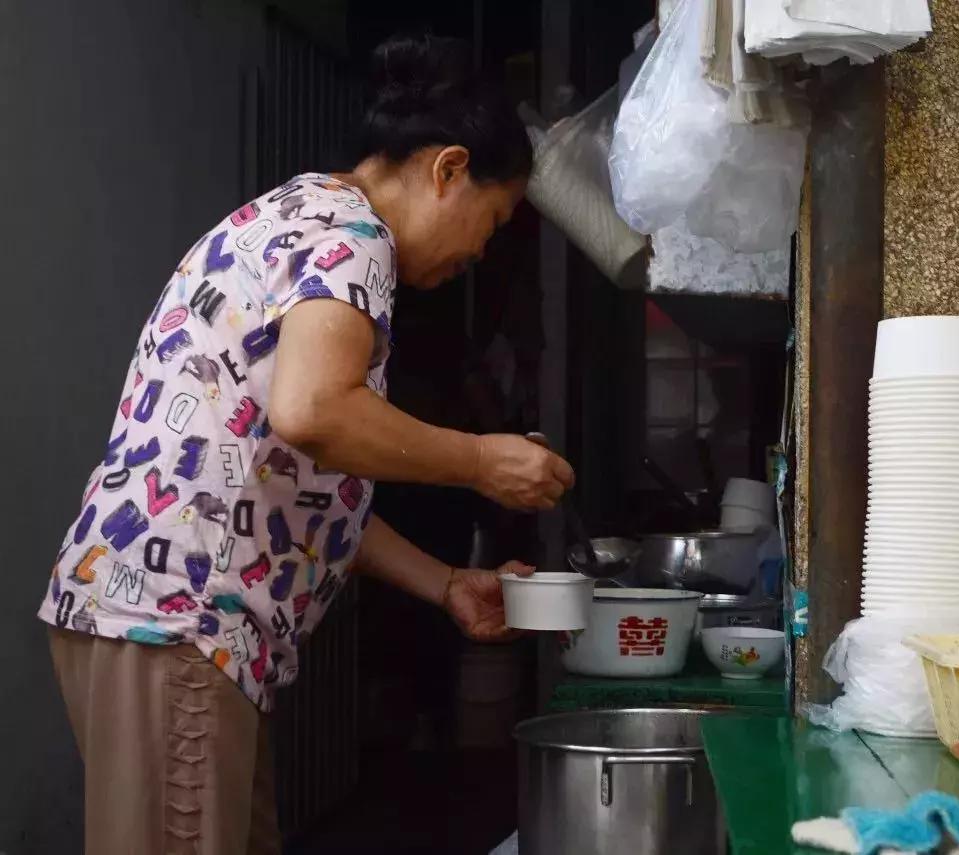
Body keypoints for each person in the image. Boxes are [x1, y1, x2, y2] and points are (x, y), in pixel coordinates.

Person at [37, 33, 569, 855]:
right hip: (179, 621)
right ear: (448, 169)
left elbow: (302, 477)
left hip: (160, 617)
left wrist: (447, 583)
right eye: (492, 223)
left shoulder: (303, 215)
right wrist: (481, 459)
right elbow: (315, 411)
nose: (478, 253)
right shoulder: (353, 238)